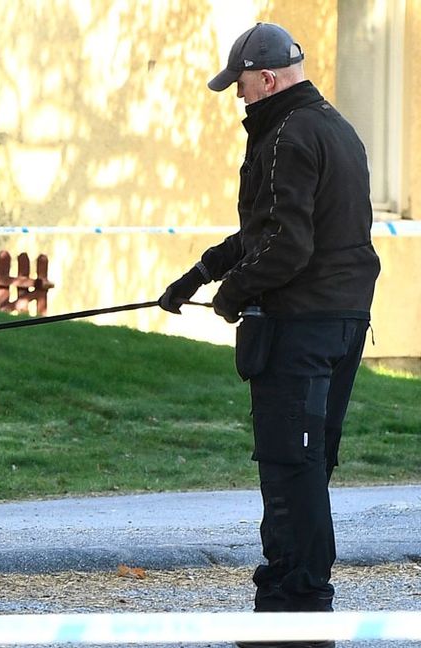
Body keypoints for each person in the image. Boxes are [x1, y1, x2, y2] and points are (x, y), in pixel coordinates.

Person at [158, 22, 380, 648]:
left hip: (302, 327)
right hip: (341, 322)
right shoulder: (332, 127)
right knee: (308, 466)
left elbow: (287, 245)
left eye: (243, 87)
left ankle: (298, 613)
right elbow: (265, 232)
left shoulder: (286, 133)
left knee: (292, 469)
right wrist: (199, 275)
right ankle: (287, 602)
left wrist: (231, 295)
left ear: (270, 78)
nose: (240, 99)